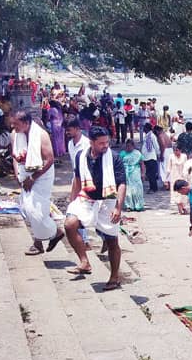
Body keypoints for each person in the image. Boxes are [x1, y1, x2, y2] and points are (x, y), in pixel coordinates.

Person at [64, 126, 126, 291]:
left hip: (109, 199)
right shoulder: (81, 156)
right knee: (69, 224)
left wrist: (118, 208)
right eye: (101, 143)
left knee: (112, 240)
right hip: (88, 198)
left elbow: (122, 184)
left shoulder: (114, 158)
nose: (105, 146)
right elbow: (77, 179)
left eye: (107, 142)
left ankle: (114, 277)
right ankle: (84, 262)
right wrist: (73, 201)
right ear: (91, 142)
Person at [11, 109, 64, 255]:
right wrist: (17, 173)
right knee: (27, 209)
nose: (13, 127)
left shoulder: (41, 135)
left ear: (26, 123)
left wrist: (33, 178)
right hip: (24, 173)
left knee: (36, 209)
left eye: (16, 124)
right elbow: (15, 156)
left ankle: (50, 235)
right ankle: (50, 236)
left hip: (42, 174)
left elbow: (49, 159)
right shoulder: (15, 134)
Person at [118, 139, 145, 212]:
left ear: (133, 146)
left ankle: (138, 205)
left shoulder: (137, 154)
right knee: (127, 190)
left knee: (137, 190)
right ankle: (128, 206)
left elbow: (142, 164)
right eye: (127, 146)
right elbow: (119, 164)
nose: (128, 148)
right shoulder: (122, 153)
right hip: (125, 173)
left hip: (135, 173)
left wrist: (143, 174)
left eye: (130, 146)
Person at [165, 146, 188, 214]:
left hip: (183, 177)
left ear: (180, 150)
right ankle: (180, 209)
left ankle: (183, 207)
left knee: (183, 193)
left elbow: (187, 166)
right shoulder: (171, 156)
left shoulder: (184, 156)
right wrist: (166, 180)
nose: (176, 152)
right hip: (174, 177)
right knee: (176, 193)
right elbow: (168, 168)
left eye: (177, 150)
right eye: (174, 150)